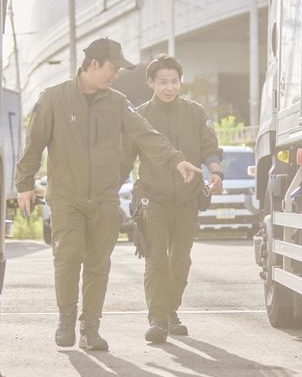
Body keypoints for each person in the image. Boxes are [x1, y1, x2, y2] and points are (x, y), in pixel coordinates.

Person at [15, 38, 201, 351]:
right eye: (112, 68)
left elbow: (146, 134)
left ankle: (90, 329)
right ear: (93, 64)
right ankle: (66, 319)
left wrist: (176, 159)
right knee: (68, 256)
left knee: (98, 264)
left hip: (104, 198)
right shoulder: (54, 98)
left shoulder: (117, 102)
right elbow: (34, 144)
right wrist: (24, 184)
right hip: (67, 197)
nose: (116, 75)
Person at [122, 54, 223, 344]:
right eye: (163, 82)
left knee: (180, 260)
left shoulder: (195, 112)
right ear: (151, 83)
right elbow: (125, 157)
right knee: (156, 258)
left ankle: (169, 311)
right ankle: (158, 319)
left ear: (180, 82)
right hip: (152, 198)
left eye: (174, 82)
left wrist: (215, 172)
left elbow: (210, 147)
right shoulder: (140, 115)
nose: (169, 87)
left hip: (187, 199)